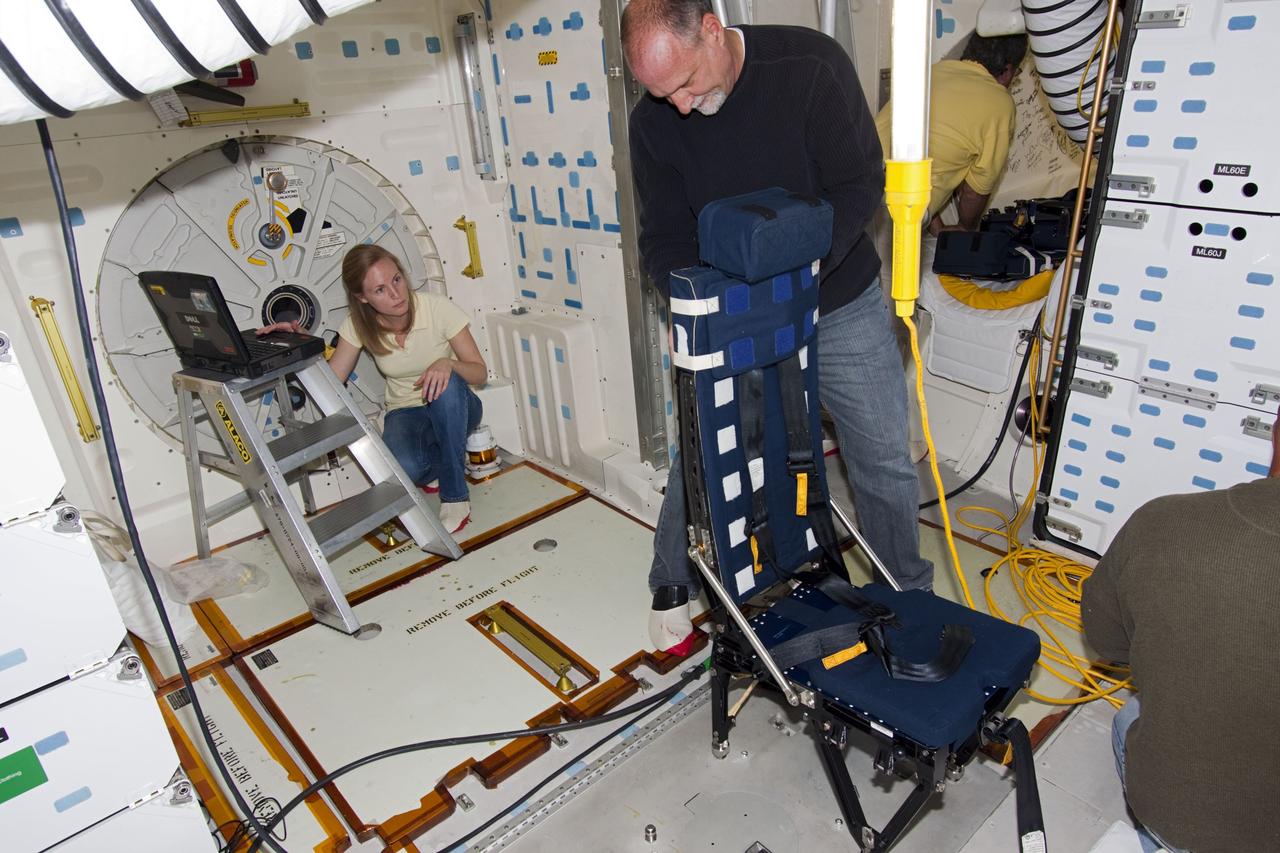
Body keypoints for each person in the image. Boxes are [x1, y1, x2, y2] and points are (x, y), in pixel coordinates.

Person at [622, 0, 933, 652]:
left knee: (882, 462)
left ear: (711, 28)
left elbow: (858, 185)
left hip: (837, 299)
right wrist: (692, 303)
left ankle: (907, 595)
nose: (677, 104)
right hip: (733, 308)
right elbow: (664, 235)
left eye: (683, 83)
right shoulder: (653, 120)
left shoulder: (810, 67)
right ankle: (671, 577)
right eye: (660, 92)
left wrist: (800, 275)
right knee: (708, 449)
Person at [1080, 411, 1280, 853]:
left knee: (1128, 716)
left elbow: (1108, 643)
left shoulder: (1162, 522)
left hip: (1181, 825)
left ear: (1276, 428)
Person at [259, 245, 485, 534]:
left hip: (457, 406)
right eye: (380, 290)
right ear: (362, 297)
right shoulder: (358, 324)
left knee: (448, 382)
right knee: (408, 470)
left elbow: (479, 371)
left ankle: (455, 496)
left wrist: (447, 364)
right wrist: (300, 345)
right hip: (406, 411)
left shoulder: (437, 308)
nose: (396, 294)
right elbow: (332, 381)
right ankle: (440, 463)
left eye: (396, 279)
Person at [875, 33, 1027, 234]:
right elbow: (975, 192)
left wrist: (937, 228)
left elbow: (931, 159)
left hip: (857, 183)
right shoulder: (1000, 105)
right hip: (895, 210)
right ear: (1007, 70)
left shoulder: (933, 72)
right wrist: (965, 228)